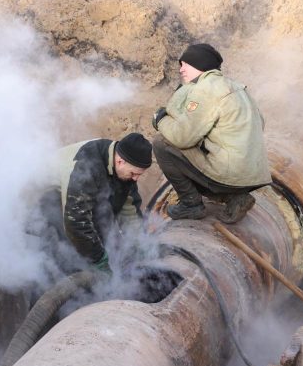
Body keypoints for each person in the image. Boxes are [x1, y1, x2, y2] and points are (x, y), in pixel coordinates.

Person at [151, 43, 271, 223]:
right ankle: (234, 198)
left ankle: (191, 204)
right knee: (199, 157)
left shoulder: (206, 89)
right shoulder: (238, 88)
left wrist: (161, 120)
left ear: (199, 65)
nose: (181, 70)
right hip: (254, 174)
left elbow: (182, 138)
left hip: (230, 174)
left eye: (185, 64)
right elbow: (260, 123)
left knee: (162, 144)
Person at [38, 132, 152, 274]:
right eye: (133, 174)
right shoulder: (86, 165)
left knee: (105, 228)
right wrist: (99, 260)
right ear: (120, 161)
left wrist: (139, 243)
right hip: (49, 194)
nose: (135, 179)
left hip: (83, 189)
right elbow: (76, 222)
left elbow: (129, 208)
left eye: (139, 175)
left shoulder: (123, 165)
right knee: (71, 247)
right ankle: (70, 274)